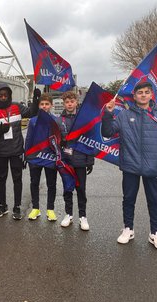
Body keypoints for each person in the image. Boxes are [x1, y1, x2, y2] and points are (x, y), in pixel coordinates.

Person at [101, 81, 157, 251]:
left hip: (153, 167)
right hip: (130, 166)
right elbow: (107, 132)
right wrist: (107, 114)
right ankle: (128, 229)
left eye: (146, 92)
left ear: (151, 95)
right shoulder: (124, 115)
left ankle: (155, 233)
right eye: (139, 92)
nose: (143, 95)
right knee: (128, 199)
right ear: (134, 96)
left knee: (154, 201)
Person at [0, 83, 38, 220]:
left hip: (16, 150)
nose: (3, 98)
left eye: (5, 95)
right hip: (1, 152)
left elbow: (32, 112)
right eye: (0, 95)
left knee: (17, 179)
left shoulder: (17, 106)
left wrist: (36, 100)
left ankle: (17, 206)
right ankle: (3, 206)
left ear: (9, 95)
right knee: (1, 179)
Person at [57, 91, 94, 231]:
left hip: (80, 159)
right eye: (67, 102)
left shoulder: (83, 119)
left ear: (76, 102)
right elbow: (55, 140)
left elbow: (90, 140)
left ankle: (83, 216)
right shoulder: (59, 120)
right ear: (64, 103)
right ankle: (68, 214)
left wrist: (90, 160)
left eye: (72, 101)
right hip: (66, 160)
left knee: (81, 189)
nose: (70, 104)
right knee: (67, 188)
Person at [24, 93, 58, 222]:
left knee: (51, 184)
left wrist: (59, 156)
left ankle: (50, 209)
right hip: (35, 156)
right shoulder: (33, 121)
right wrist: (26, 155)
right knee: (34, 182)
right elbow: (29, 139)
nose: (44, 106)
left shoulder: (55, 120)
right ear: (39, 106)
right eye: (42, 104)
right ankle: (36, 208)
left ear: (51, 105)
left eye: (47, 104)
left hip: (50, 157)